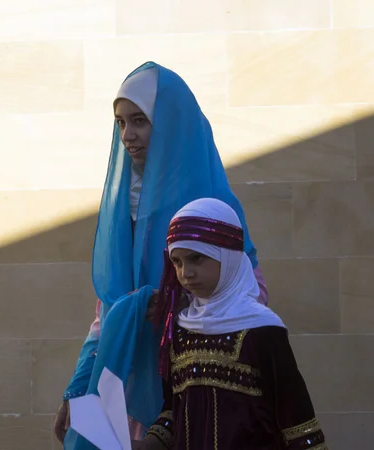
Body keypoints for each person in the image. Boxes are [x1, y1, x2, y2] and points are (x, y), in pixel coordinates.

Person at [54, 62, 269, 449]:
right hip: (127, 393)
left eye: (140, 121)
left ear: (169, 124)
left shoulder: (211, 201)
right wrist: (77, 390)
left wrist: (177, 301)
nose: (128, 136)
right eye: (120, 123)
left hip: (199, 389)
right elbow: (107, 314)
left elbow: (253, 295)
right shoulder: (123, 210)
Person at [133, 198, 326, 450]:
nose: (185, 273)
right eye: (177, 262)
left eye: (196, 258)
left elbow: (296, 419)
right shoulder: (181, 329)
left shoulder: (263, 329)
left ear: (227, 256)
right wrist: (145, 445)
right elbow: (173, 409)